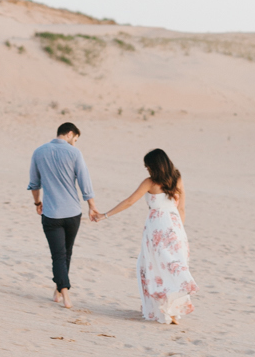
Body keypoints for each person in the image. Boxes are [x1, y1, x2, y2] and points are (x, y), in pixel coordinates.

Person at [93, 148, 197, 324]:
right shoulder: (177, 178)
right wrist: (180, 232)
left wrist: (105, 215)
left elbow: (129, 201)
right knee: (171, 267)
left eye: (147, 166)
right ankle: (171, 311)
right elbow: (182, 209)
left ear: (154, 166)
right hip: (175, 228)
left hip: (156, 229)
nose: (147, 169)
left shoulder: (150, 182)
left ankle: (164, 310)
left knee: (154, 267)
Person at [28, 122, 100, 308]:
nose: (74, 144)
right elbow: (85, 181)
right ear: (69, 134)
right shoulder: (75, 153)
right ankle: (62, 290)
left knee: (59, 255)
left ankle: (62, 291)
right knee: (66, 253)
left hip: (52, 213)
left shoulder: (39, 152)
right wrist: (91, 206)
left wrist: (37, 203)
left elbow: (34, 184)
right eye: (74, 140)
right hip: (73, 213)